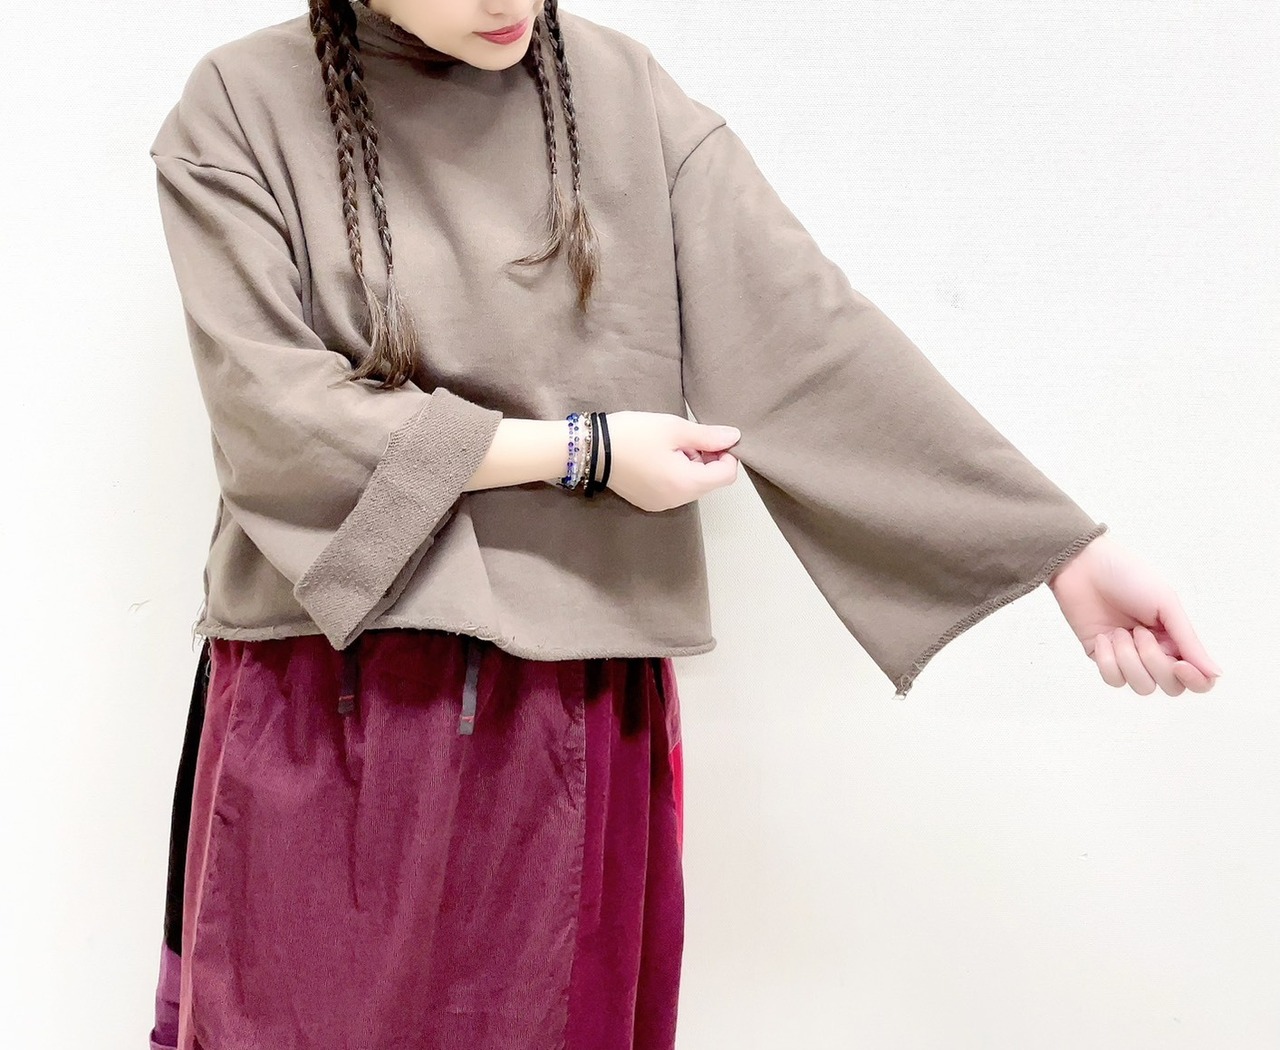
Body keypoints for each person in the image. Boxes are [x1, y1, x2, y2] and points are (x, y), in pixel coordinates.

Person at [145, 2, 1221, 1048]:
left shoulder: (619, 92)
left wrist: (1061, 551)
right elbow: (272, 415)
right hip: (333, 691)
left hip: (573, 704)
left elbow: (804, 336)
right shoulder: (241, 104)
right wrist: (582, 451)